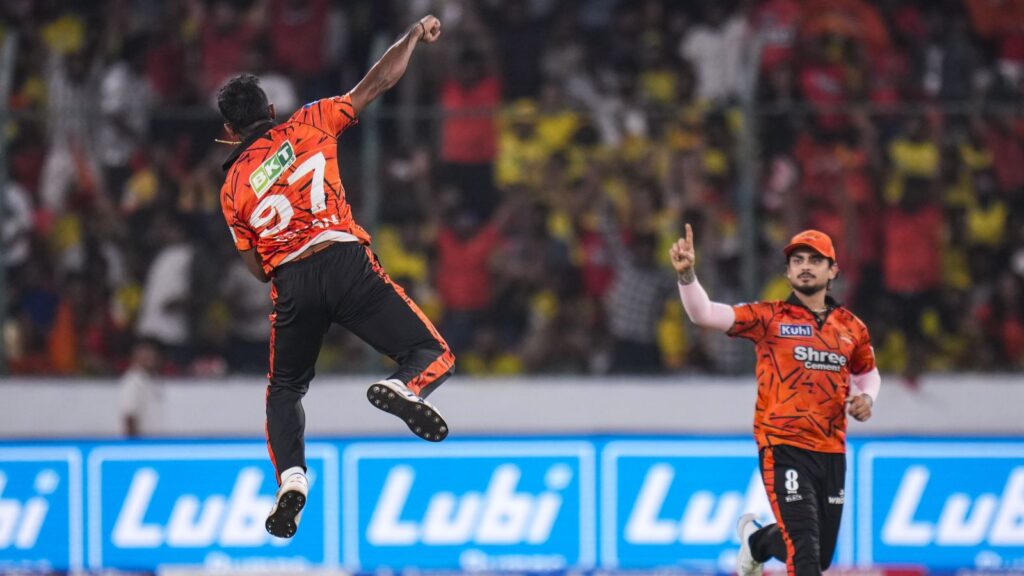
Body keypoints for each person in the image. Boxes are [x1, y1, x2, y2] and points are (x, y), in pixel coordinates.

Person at [217, 15, 454, 539]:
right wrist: (413, 34)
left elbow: (256, 270)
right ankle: (404, 386)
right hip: (344, 260)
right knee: (432, 352)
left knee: (285, 389)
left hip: (292, 283)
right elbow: (379, 82)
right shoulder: (311, 121)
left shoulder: (232, 187)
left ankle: (292, 480)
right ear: (271, 111)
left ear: (229, 133)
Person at [670, 227, 880, 576]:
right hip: (783, 447)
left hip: (830, 451)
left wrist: (867, 398)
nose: (805, 266)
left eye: (815, 260)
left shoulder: (851, 327)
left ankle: (757, 543)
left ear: (833, 270)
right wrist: (687, 275)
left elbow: (867, 373)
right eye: (797, 260)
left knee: (819, 556)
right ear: (788, 272)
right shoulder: (769, 317)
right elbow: (704, 313)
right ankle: (760, 545)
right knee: (805, 553)